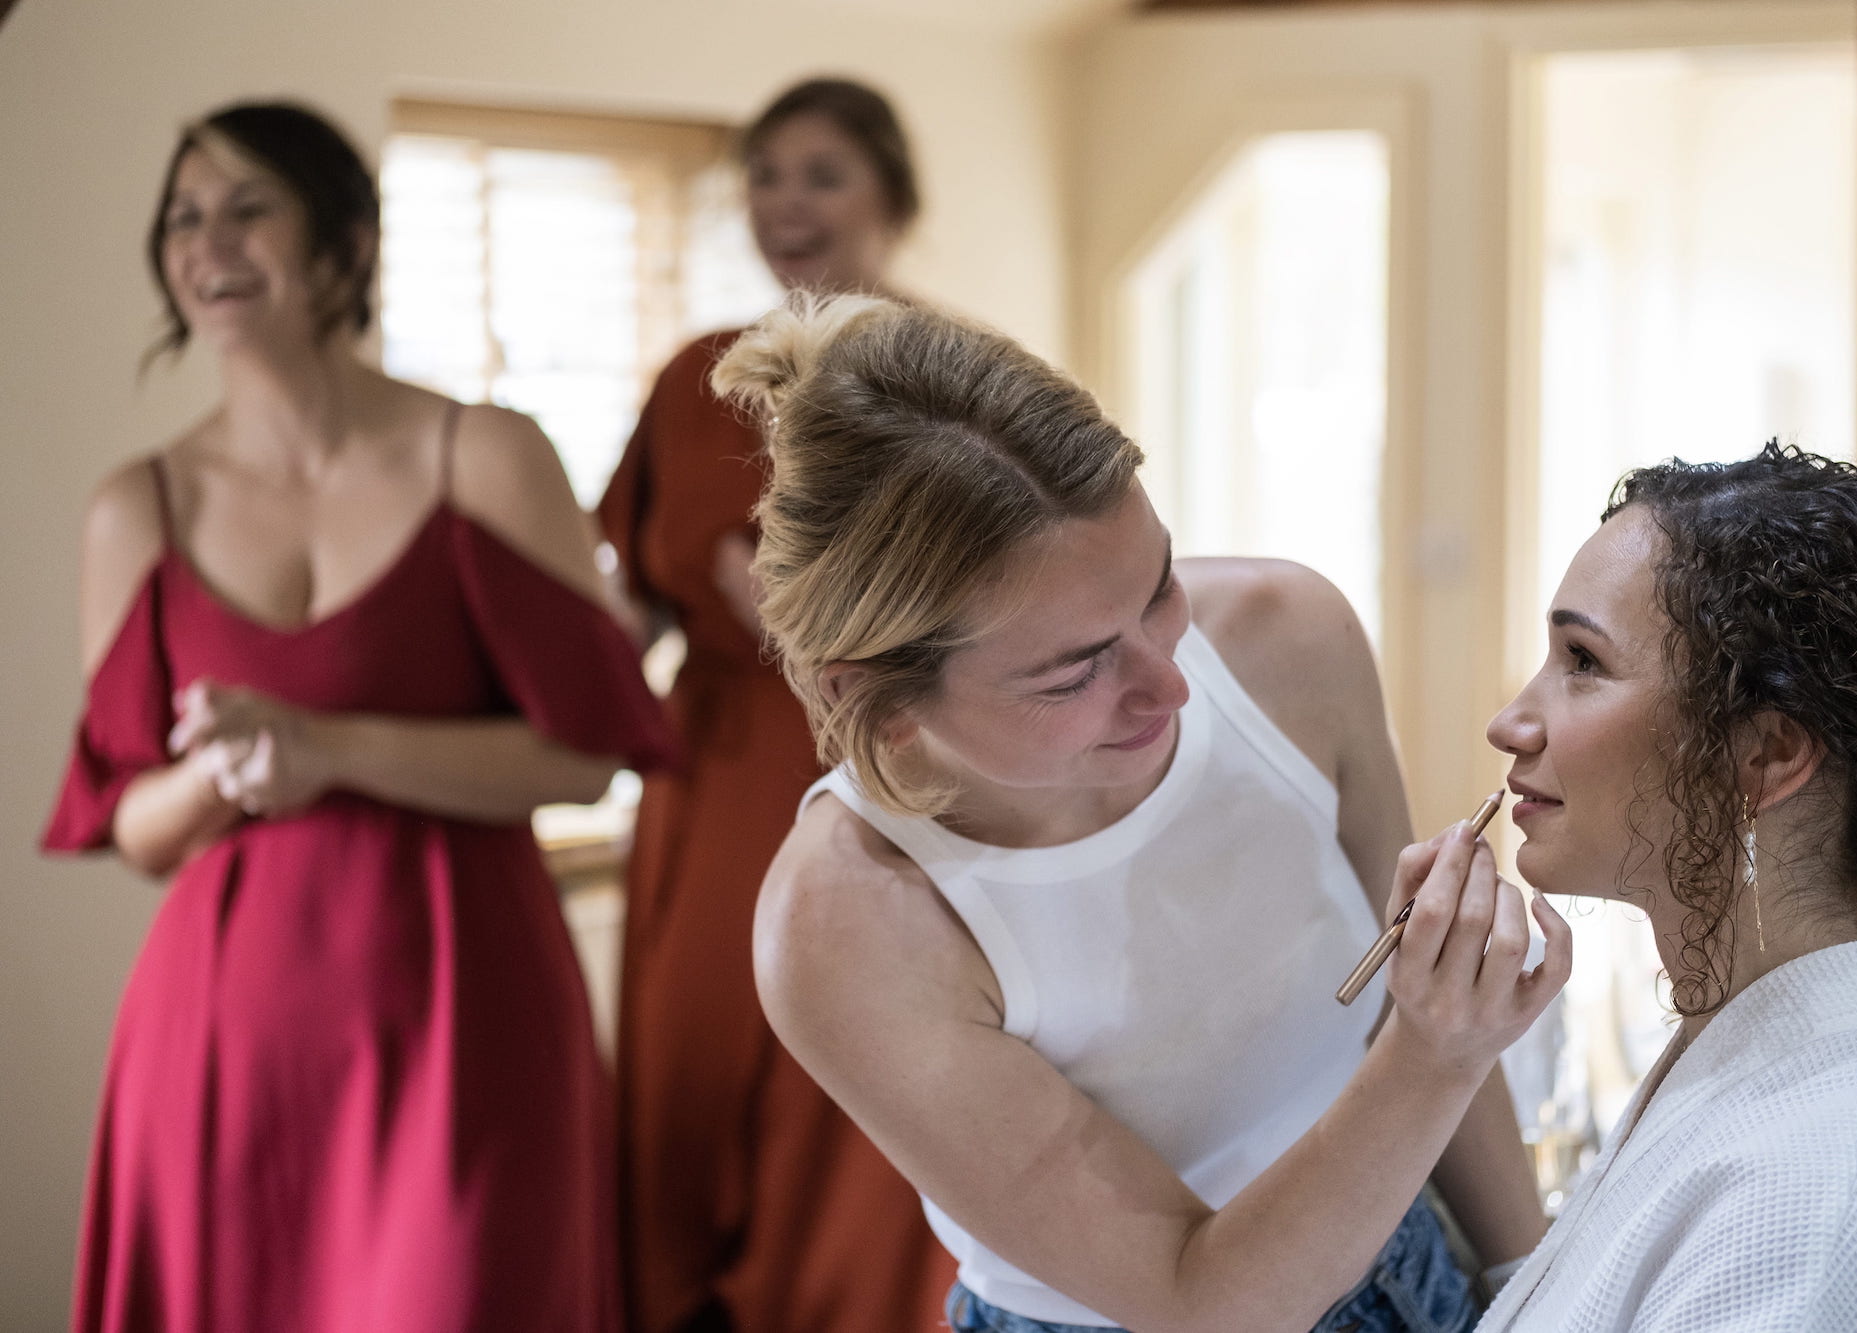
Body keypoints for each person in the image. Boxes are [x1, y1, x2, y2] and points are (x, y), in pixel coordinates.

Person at [713, 291, 1570, 1332]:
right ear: (875, 703)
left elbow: (1409, 998)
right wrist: (1436, 1052)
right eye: (1073, 671)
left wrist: (1537, 1286)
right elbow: (1195, 1296)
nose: (1170, 685)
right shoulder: (843, 924)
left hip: (1412, 1243)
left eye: (1158, 586)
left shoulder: (1286, 637)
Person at [41, 101, 675, 1332]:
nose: (206, 243)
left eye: (246, 209)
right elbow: (136, 826)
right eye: (182, 217)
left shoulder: (482, 454)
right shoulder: (138, 508)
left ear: (342, 242)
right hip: (225, 1022)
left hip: (465, 1002)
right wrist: (233, 768)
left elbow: (590, 754)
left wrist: (329, 745)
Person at [1477, 444, 1857, 1331]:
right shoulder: (1743, 1055)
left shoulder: (1815, 1210)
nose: (1511, 722)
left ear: (1766, 754)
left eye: (1584, 661)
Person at [596, 78, 953, 1332]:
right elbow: (633, 605)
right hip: (709, 791)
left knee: (848, 1094)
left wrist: (817, 615)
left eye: (822, 175)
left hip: (893, 787)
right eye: (764, 176)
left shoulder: (950, 376)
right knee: (688, 1087)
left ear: (891, 202)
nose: (785, 205)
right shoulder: (693, 380)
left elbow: (1016, 614)